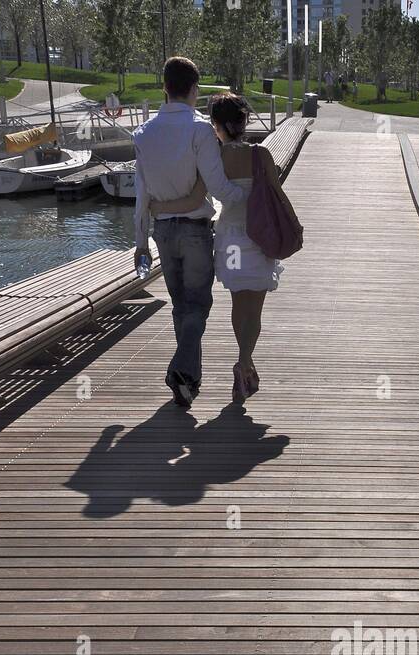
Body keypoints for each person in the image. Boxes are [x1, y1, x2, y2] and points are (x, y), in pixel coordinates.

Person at [152, 94, 302, 405]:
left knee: (238, 302)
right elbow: (276, 194)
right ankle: (244, 361)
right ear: (245, 122)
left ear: (216, 126)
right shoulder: (261, 155)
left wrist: (158, 206)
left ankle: (244, 363)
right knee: (255, 308)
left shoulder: (214, 159)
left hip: (230, 240)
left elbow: (195, 200)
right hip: (260, 238)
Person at [133, 56, 252, 409]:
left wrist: (140, 243)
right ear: (195, 90)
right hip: (196, 230)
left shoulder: (143, 134)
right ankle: (180, 370)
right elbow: (217, 186)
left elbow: (141, 194)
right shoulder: (200, 130)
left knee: (181, 307)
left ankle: (187, 385)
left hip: (162, 233)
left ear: (164, 87)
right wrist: (247, 195)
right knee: (199, 305)